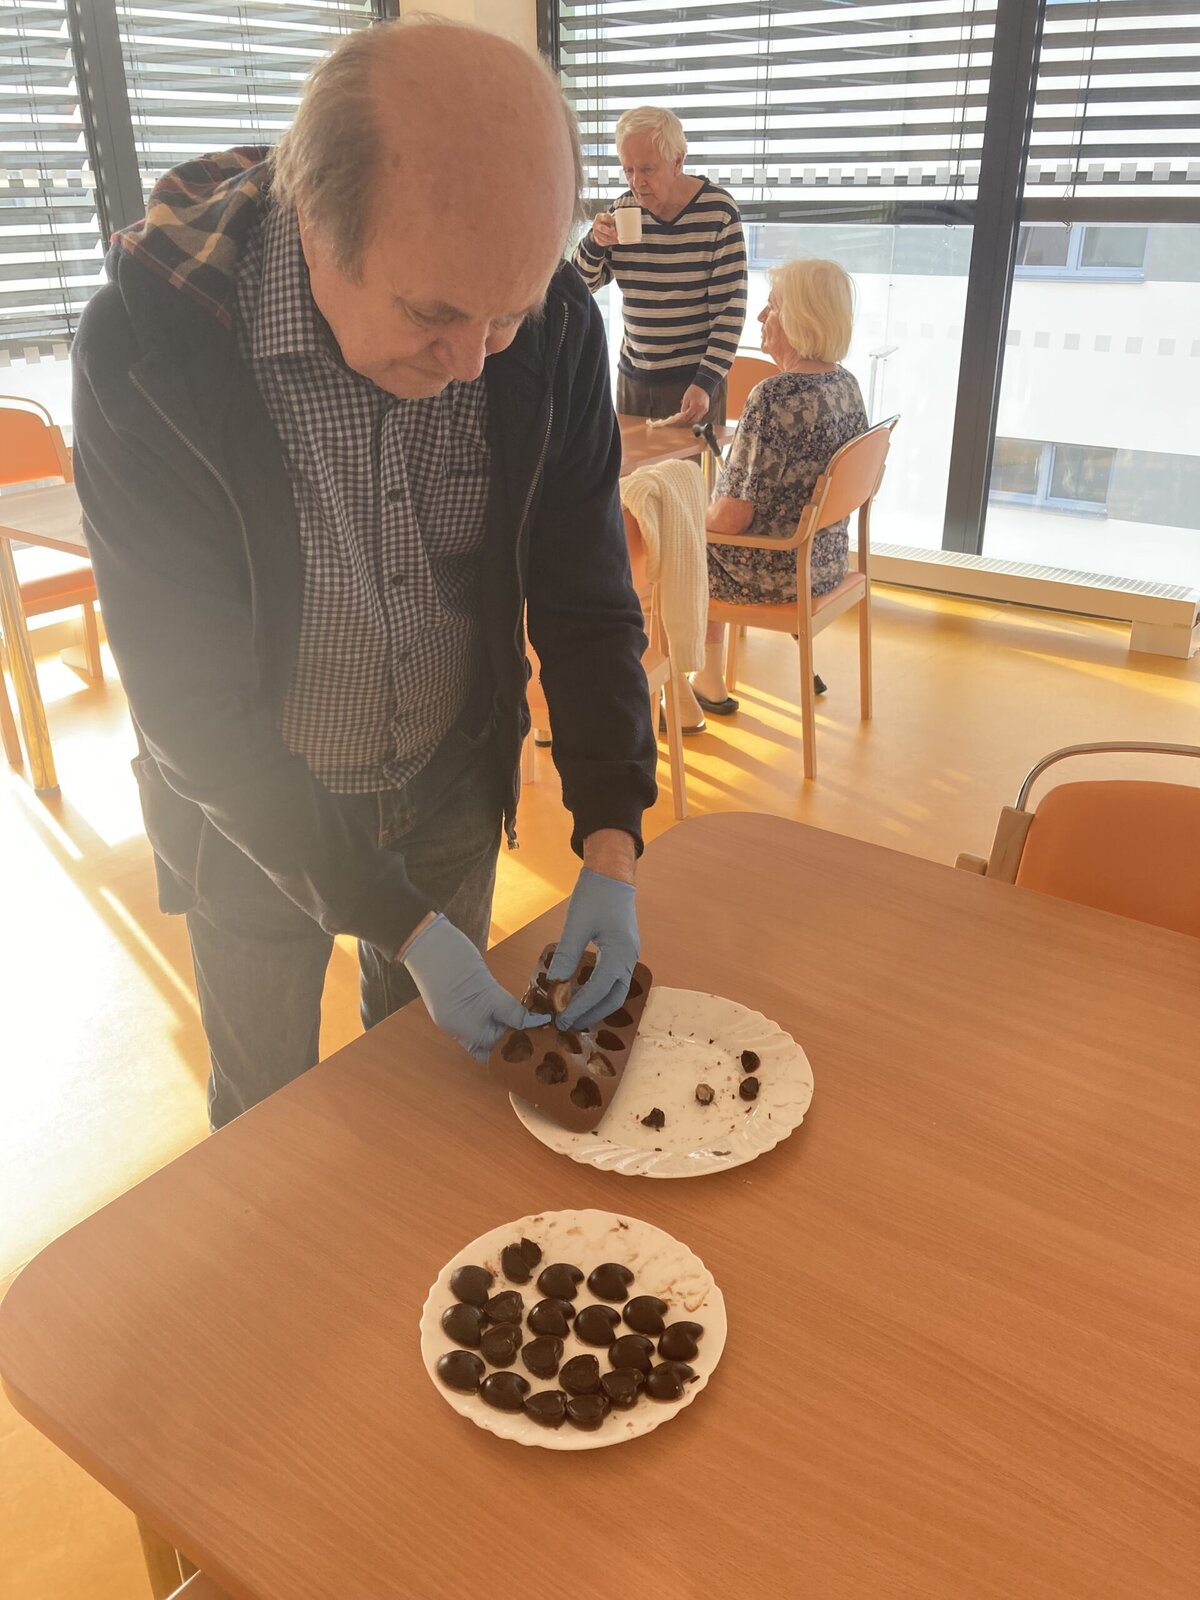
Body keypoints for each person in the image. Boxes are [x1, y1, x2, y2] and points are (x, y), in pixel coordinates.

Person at [71, 19, 658, 1129]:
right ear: (312, 221)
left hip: (448, 780)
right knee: (267, 1118)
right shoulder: (150, 355)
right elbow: (190, 708)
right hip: (250, 814)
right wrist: (402, 926)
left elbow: (586, 598)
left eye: (508, 314)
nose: (473, 360)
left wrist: (612, 838)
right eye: (434, 313)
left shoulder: (548, 327)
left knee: (426, 1115)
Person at [684, 258, 869, 724]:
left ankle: (684, 689)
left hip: (777, 568)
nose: (762, 317)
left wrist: (686, 519)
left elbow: (731, 519)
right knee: (698, 539)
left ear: (801, 318)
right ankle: (706, 677)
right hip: (826, 559)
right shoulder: (845, 385)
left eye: (773, 306)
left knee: (671, 543)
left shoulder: (773, 397)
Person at [572, 106, 746, 426]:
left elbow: (729, 311)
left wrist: (706, 381)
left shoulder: (718, 212)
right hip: (633, 378)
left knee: (690, 462)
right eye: (628, 170)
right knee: (629, 462)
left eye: (647, 169)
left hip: (694, 382)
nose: (636, 182)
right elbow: (581, 285)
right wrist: (595, 243)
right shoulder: (624, 209)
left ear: (678, 161)